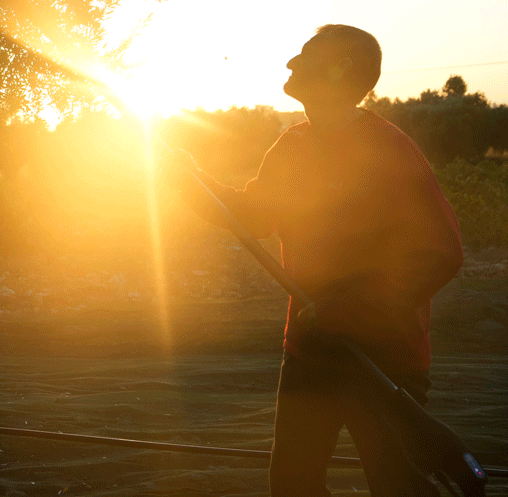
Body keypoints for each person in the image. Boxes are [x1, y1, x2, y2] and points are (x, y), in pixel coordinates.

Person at [171, 25, 463, 496]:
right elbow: (252, 214)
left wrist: (347, 309)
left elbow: (439, 254)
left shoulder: (387, 150)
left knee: (397, 488)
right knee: (293, 486)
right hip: (311, 353)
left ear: (339, 69)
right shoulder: (294, 145)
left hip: (384, 359)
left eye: (305, 55)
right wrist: (185, 178)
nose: (291, 64)